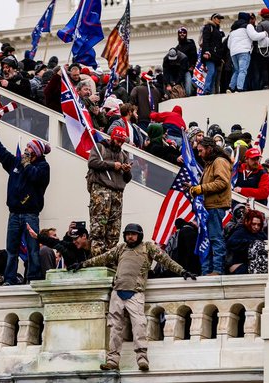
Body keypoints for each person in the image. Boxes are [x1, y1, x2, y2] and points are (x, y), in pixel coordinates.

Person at [68, 223, 197, 372]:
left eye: (133, 234)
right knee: (115, 328)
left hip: (135, 293)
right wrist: (82, 264)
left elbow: (166, 260)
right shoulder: (121, 248)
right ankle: (112, 361)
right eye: (128, 234)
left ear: (139, 235)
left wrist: (182, 271)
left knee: (139, 326)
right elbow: (101, 259)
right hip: (117, 292)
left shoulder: (148, 247)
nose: (130, 236)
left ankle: (142, 360)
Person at [0, 133, 51, 284]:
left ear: (36, 152)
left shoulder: (43, 166)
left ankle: (33, 278)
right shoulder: (17, 163)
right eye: (27, 146)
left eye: (30, 147)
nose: (26, 149)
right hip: (14, 214)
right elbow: (2, 154)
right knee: (11, 251)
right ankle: (9, 278)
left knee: (32, 250)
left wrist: (26, 164)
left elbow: (35, 177)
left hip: (30, 214)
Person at [87, 127, 132, 257]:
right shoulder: (100, 148)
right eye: (118, 141)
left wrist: (127, 170)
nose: (120, 144)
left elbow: (127, 179)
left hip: (117, 194)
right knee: (98, 227)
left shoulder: (123, 155)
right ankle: (96, 257)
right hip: (101, 191)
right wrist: (112, 165)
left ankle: (110, 259)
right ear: (112, 138)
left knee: (114, 230)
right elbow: (92, 162)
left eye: (122, 142)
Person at [190, 137, 231, 276]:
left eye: (201, 150)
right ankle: (206, 271)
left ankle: (217, 270)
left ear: (209, 149)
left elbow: (222, 183)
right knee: (205, 240)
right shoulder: (209, 163)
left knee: (215, 238)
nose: (199, 154)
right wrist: (193, 188)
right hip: (208, 208)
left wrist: (200, 188)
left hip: (215, 207)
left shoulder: (219, 161)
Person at [227, 12, 267, 92]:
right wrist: (264, 33)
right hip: (244, 51)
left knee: (237, 71)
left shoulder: (233, 30)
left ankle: (231, 88)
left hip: (234, 53)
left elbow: (228, 44)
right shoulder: (248, 26)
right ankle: (239, 88)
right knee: (243, 70)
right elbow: (254, 36)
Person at [226, 209, 267, 274]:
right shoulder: (241, 231)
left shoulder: (261, 234)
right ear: (247, 221)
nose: (256, 227)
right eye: (254, 224)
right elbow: (230, 243)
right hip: (239, 267)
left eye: (259, 225)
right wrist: (251, 244)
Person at [201, 13, 225, 95]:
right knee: (211, 71)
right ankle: (206, 90)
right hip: (209, 54)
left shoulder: (217, 30)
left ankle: (210, 91)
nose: (219, 20)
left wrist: (221, 57)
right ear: (213, 19)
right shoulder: (208, 27)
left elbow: (219, 45)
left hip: (216, 56)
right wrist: (206, 51)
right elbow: (205, 40)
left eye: (220, 18)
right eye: (218, 18)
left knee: (214, 73)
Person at [175, 26, 197, 96]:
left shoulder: (190, 43)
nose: (182, 34)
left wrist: (192, 65)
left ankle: (189, 95)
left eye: (184, 32)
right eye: (180, 32)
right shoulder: (177, 48)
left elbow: (194, 55)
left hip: (188, 69)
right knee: (181, 86)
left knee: (188, 85)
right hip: (180, 71)